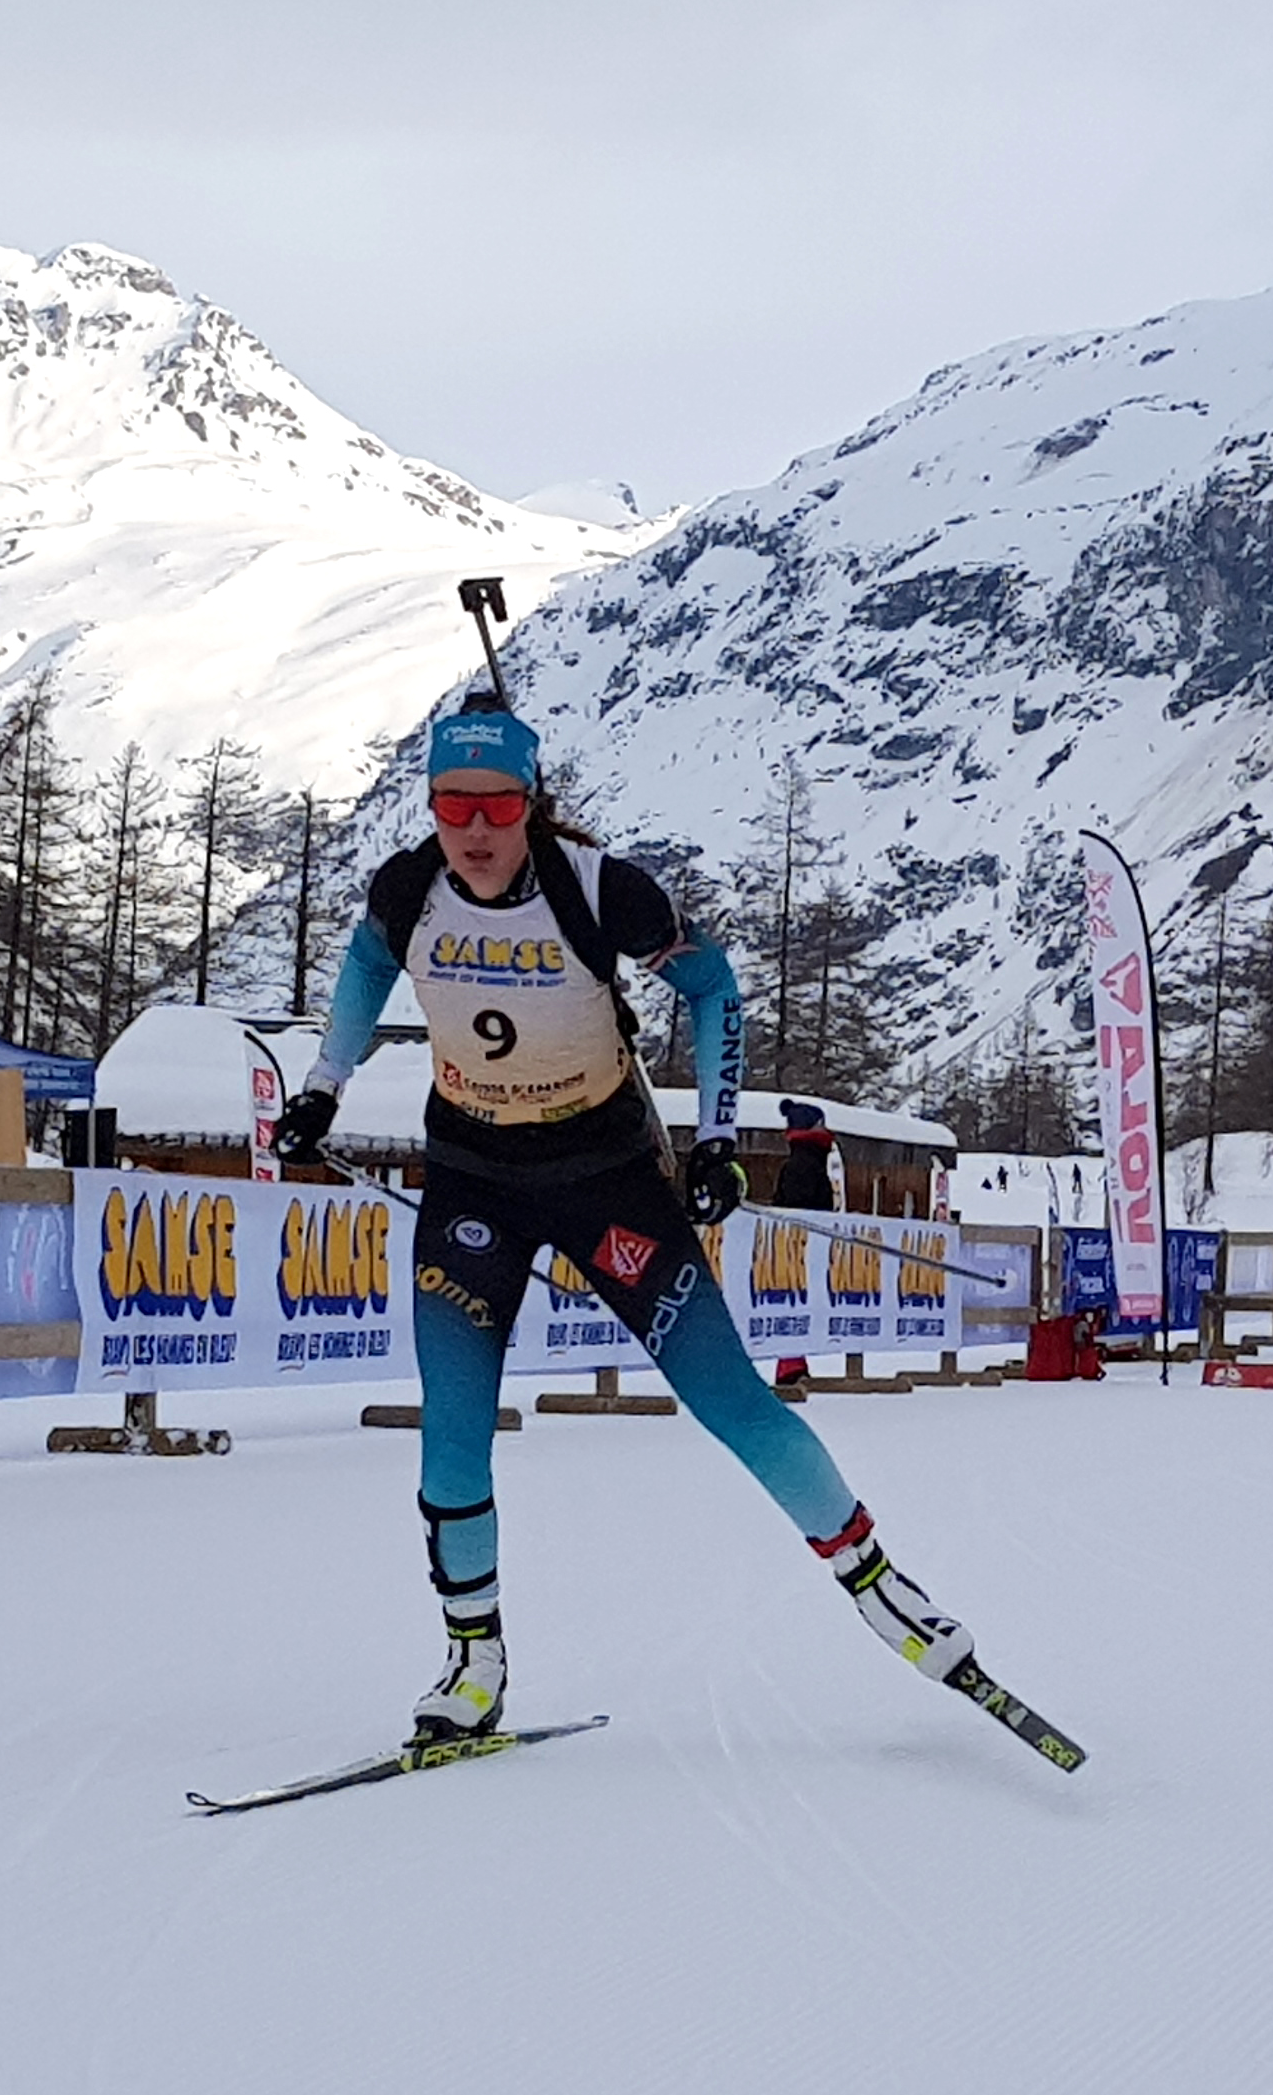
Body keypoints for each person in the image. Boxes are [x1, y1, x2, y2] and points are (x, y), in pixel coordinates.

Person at [272, 692, 983, 1741]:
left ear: (531, 802)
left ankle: (885, 1594)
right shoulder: (406, 887)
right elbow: (364, 968)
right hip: (473, 1177)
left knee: (731, 1401)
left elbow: (714, 988)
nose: (473, 830)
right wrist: (323, 1084)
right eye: (451, 805)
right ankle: (472, 1664)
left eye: (498, 804)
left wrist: (716, 1142)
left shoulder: (598, 890)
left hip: (605, 1175)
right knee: (452, 1436)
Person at [769, 1099, 838, 1389]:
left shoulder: (804, 1163)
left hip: (799, 1246)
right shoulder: (806, 1165)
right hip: (802, 1248)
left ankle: (793, 1363)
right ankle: (790, 1365)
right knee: (797, 1300)